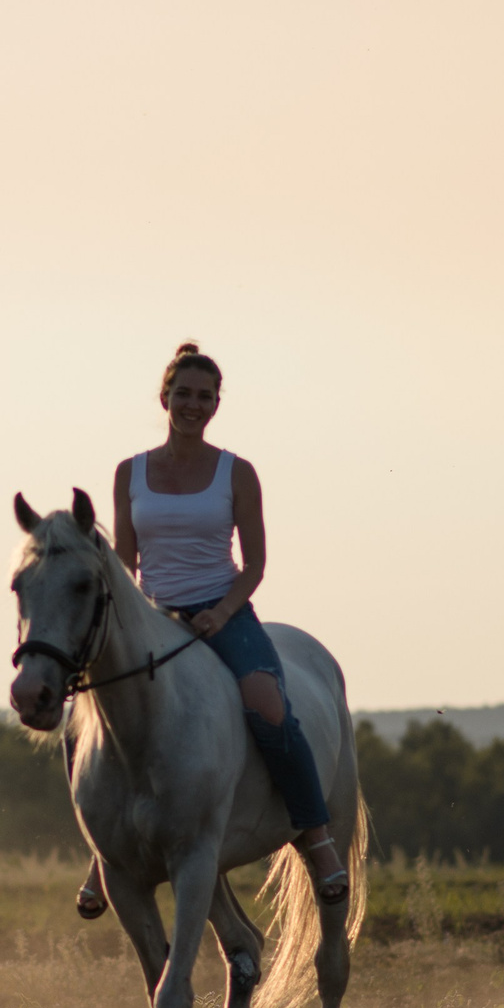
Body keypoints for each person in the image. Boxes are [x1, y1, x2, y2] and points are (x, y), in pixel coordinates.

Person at [73, 342, 349, 920]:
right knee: (91, 720)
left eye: (204, 397)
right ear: (164, 398)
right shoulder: (130, 472)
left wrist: (220, 614)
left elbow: (254, 565)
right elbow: (125, 563)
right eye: (183, 394)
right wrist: (133, 619)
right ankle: (104, 853)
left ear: (216, 404)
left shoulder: (236, 472)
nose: (192, 405)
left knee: (269, 707)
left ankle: (316, 837)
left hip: (221, 611)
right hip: (150, 616)